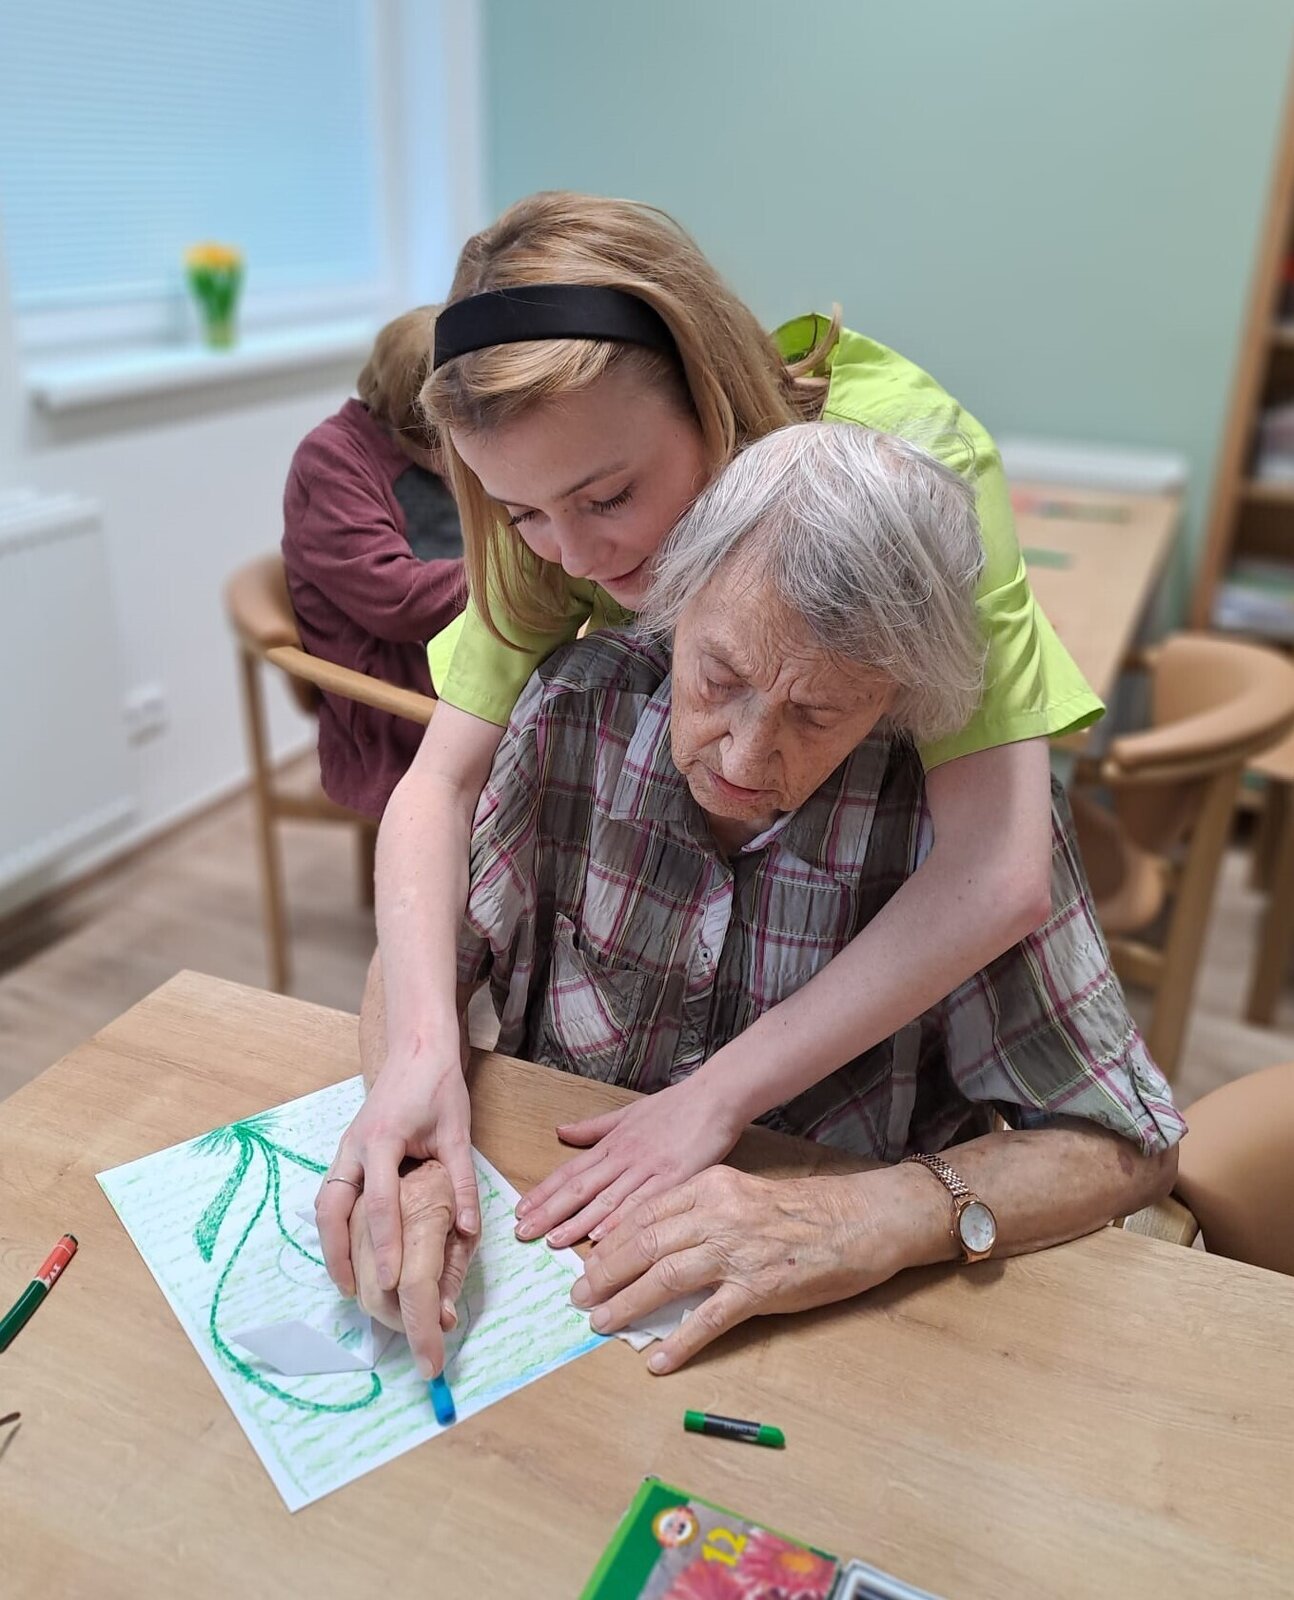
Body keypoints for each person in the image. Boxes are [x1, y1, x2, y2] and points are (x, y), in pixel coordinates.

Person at [321, 191, 1107, 1322]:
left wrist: (719, 1096)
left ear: (711, 395)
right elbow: (437, 786)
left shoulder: (908, 474)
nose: (574, 557)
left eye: (608, 496)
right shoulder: (560, 558)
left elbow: (996, 870)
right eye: (523, 513)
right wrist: (415, 1062)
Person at [326, 424, 1181, 1377]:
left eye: (817, 714)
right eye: (719, 679)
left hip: (826, 1342)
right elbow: (423, 958)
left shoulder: (962, 816)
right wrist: (413, 1154)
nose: (743, 755)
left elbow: (1125, 1145)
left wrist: (867, 1216)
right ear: (675, 597)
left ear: (894, 693)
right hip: (541, 1284)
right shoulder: (576, 709)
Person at [282, 307, 466, 819]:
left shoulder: (433, 448)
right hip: (397, 699)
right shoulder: (329, 461)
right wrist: (515, 570)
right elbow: (399, 598)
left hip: (464, 655)